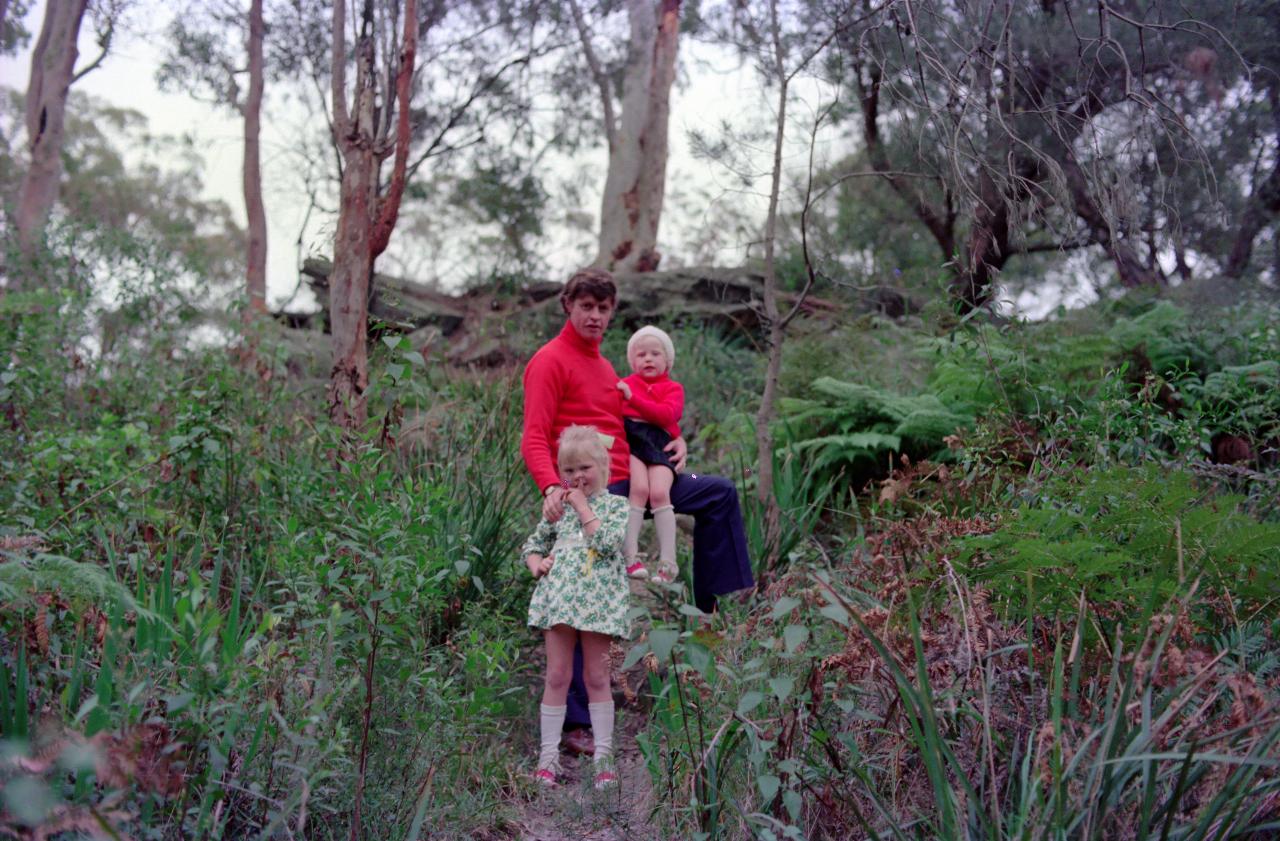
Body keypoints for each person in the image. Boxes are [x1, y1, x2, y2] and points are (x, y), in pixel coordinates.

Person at [520, 266, 754, 757]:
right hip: (589, 491)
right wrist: (551, 488)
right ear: (569, 306)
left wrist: (674, 440)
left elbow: (636, 414)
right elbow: (535, 436)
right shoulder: (549, 361)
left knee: (719, 493)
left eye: (604, 309)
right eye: (587, 306)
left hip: (635, 474)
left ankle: (710, 614)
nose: (596, 316)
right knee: (584, 590)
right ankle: (575, 724)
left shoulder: (607, 367)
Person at [521, 425, 630, 789]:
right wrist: (537, 563)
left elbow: (608, 542)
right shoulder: (557, 510)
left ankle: (604, 761)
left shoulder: (615, 506)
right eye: (567, 471)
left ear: (603, 465)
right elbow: (533, 545)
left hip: (598, 603)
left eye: (584, 468)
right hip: (560, 601)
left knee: (597, 678)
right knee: (556, 675)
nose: (576, 477)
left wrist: (583, 507)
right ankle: (547, 760)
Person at [616, 325, 684, 583]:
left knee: (659, 493)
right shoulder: (624, 385)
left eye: (655, 353)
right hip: (631, 440)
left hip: (659, 442)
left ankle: (668, 563)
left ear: (668, 360)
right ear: (632, 361)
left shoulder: (673, 388)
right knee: (639, 490)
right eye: (641, 354)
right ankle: (630, 557)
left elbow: (666, 415)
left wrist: (632, 398)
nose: (648, 358)